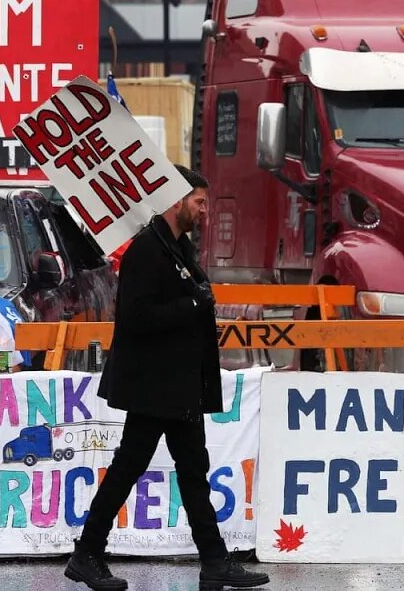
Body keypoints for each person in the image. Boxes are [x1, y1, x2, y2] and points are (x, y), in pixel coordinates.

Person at [64, 165, 269, 591]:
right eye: (198, 202)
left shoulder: (180, 248)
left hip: (180, 385)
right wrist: (193, 307)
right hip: (154, 387)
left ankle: (214, 560)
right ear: (175, 200)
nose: (205, 210)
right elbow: (136, 319)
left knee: (194, 470)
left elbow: (182, 305)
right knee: (129, 467)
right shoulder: (147, 250)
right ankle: (87, 554)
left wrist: (197, 315)